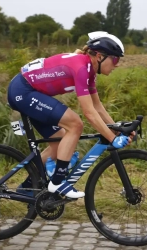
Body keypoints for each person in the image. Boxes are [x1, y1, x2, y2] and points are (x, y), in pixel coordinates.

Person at [7, 31, 135, 199]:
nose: (117, 65)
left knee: (59, 144)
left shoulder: (89, 70)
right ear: (99, 56)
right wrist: (112, 138)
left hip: (27, 91)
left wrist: (116, 128)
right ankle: (58, 182)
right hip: (23, 92)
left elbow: (97, 106)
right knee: (75, 124)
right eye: (116, 59)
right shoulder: (82, 68)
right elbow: (89, 113)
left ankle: (29, 186)